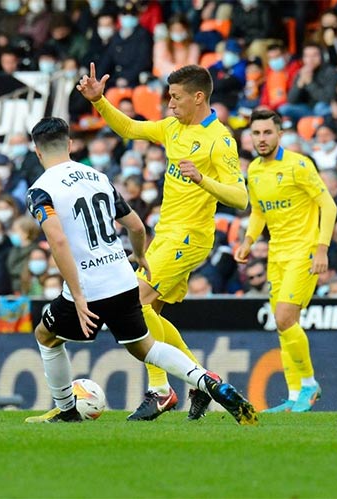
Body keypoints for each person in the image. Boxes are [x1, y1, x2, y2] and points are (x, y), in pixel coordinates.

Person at [23, 117, 257, 425]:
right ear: (70, 145)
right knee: (146, 347)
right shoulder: (98, 176)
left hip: (89, 286)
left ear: (38, 152)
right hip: (122, 279)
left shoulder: (41, 190)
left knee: (46, 336)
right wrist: (139, 255)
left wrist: (78, 295)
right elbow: (134, 224)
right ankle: (207, 381)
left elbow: (57, 239)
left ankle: (66, 410)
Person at [78, 63, 248, 421]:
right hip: (166, 234)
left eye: (176, 97)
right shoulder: (172, 127)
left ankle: (160, 390)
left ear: (199, 97)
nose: (170, 104)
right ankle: (203, 382)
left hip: (190, 236)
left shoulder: (220, 140)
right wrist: (100, 102)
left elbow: (240, 198)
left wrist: (203, 179)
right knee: (150, 311)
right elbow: (130, 128)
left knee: (134, 301)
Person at [235, 109, 337, 413]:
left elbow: (328, 206)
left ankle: (308, 384)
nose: (261, 139)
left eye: (267, 133)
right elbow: (259, 211)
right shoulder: (253, 169)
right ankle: (294, 397)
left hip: (303, 252)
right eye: (256, 133)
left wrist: (322, 249)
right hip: (276, 255)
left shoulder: (299, 165)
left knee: (284, 318)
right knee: (284, 326)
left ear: (280, 134)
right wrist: (248, 240)